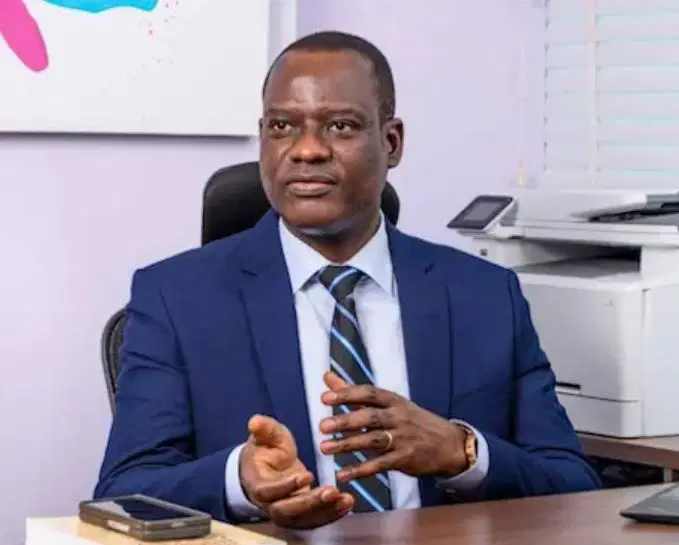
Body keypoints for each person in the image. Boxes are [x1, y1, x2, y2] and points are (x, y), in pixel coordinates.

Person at [94, 30, 600, 530]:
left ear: (392, 142)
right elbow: (124, 493)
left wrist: (460, 451)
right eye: (282, 126)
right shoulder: (176, 299)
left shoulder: (485, 296)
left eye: (339, 126)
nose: (307, 150)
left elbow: (573, 487)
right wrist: (240, 481)